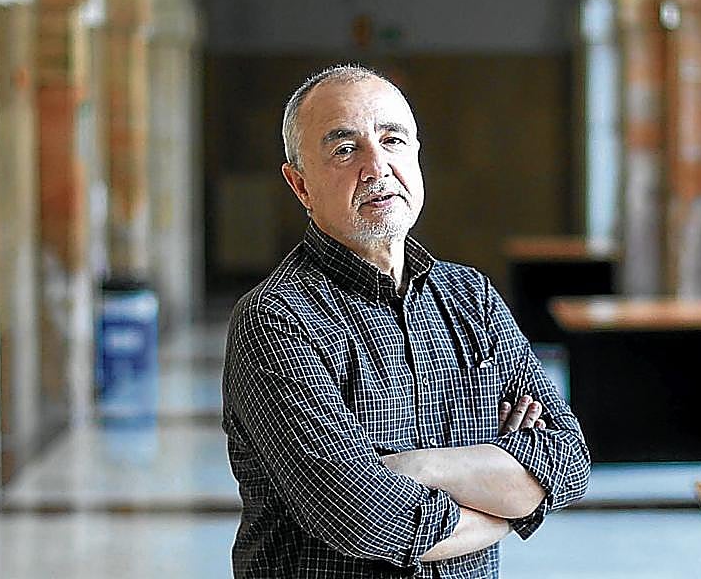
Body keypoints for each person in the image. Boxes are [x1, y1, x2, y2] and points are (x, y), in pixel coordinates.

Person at [222, 64, 591, 578]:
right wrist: (505, 500)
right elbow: (358, 515)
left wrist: (419, 466)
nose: (377, 167)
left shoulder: (471, 298)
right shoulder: (275, 319)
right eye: (345, 149)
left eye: (393, 140)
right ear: (300, 185)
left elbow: (568, 460)